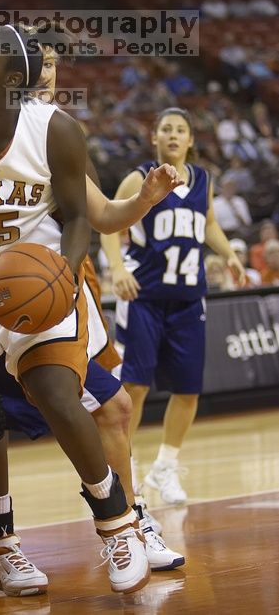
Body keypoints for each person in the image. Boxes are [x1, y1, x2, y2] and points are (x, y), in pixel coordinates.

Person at [0, 24, 183, 613]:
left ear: (10, 81)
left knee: (62, 396)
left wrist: (63, 271)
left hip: (44, 279)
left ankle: (118, 524)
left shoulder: (56, 130)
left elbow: (83, 217)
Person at [100, 107, 245, 505]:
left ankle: (165, 467)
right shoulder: (140, 176)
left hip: (187, 299)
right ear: (155, 138)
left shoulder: (204, 180)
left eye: (181, 129)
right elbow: (110, 223)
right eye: (166, 128)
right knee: (135, 387)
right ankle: (122, 474)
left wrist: (229, 253)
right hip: (144, 297)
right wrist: (116, 268)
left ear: (191, 140)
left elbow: (210, 223)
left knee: (188, 389)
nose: (174, 135)